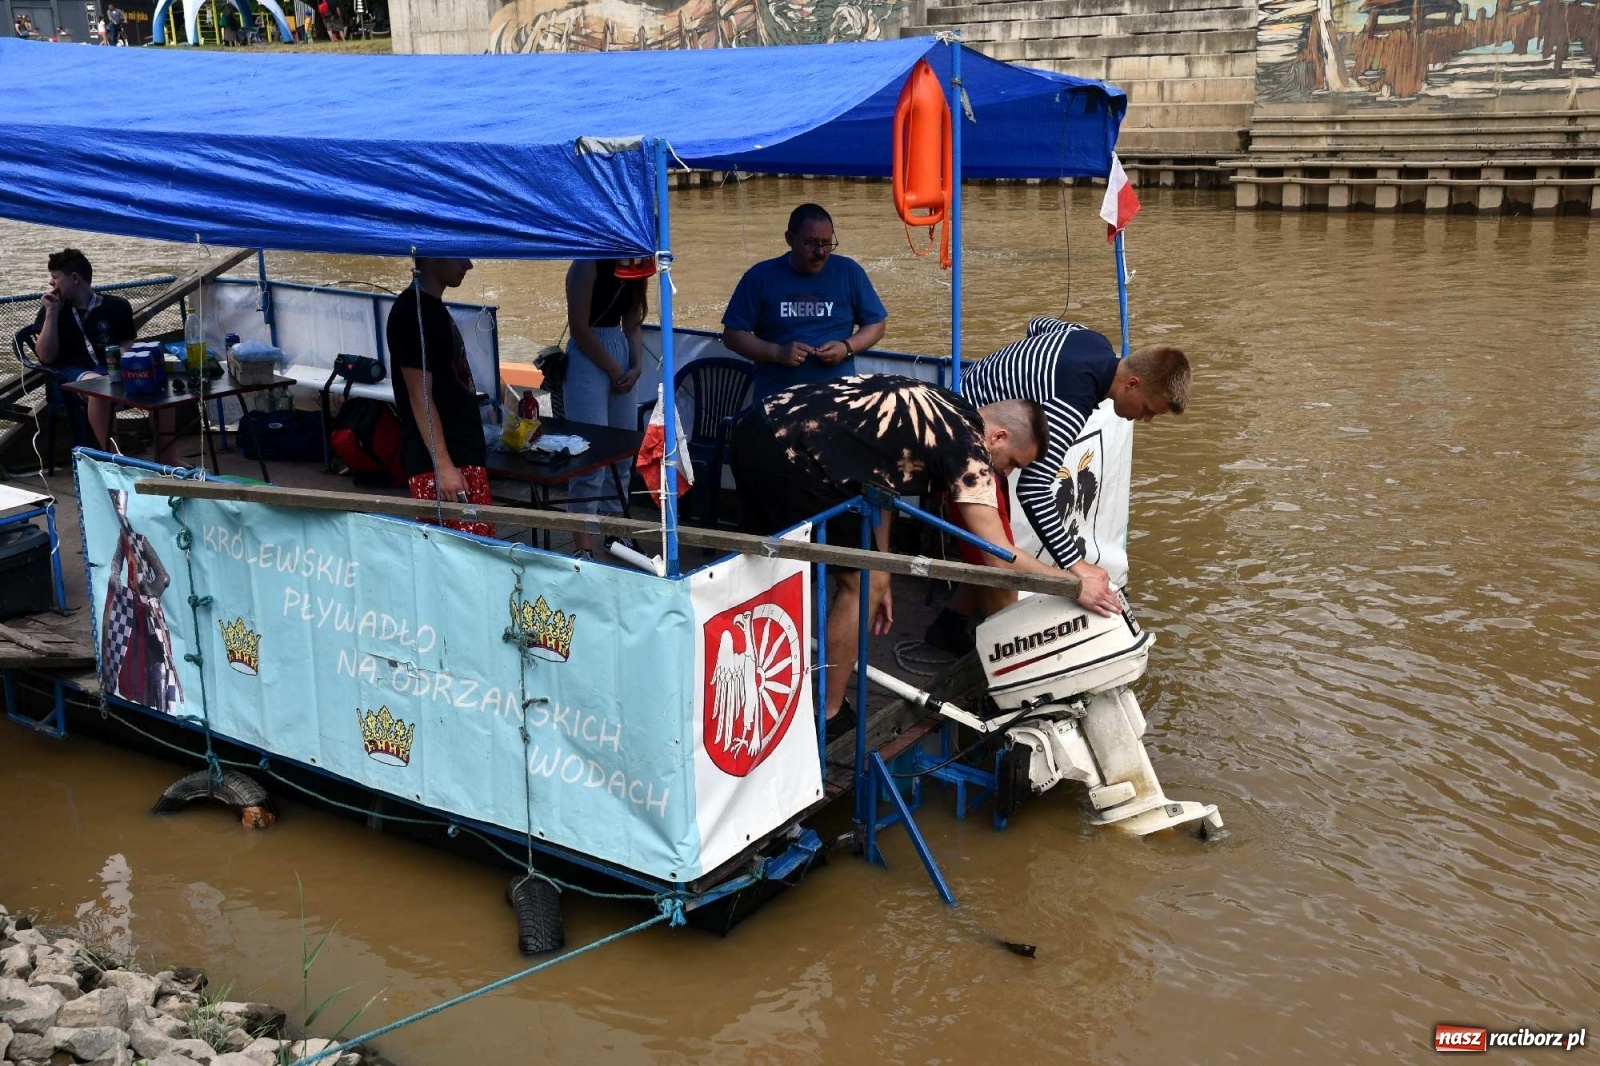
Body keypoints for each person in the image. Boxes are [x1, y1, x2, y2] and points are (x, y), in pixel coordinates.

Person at [729, 374, 1059, 736]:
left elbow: (879, 486)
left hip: (758, 424)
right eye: (1012, 462)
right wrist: (1073, 582)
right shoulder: (967, 445)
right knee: (861, 584)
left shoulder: (949, 407)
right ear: (998, 437)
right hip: (791, 450)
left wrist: (882, 565)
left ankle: (744, 665)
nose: (1006, 473)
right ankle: (827, 714)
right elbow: (997, 554)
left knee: (778, 564)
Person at [924, 317, 1191, 652]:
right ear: (1132, 383)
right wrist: (1076, 564)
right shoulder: (1069, 404)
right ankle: (1010, 661)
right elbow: (1034, 491)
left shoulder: (1090, 339)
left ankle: (949, 625)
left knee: (996, 544)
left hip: (972, 407)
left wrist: (1019, 376)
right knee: (1000, 562)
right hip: (961, 444)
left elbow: (1037, 325)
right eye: (1149, 410)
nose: (1146, 419)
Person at [721, 203, 888, 403]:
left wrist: (846, 347)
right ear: (789, 239)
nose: (820, 252)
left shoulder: (849, 272)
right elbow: (732, 335)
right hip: (777, 401)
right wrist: (777, 353)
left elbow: (877, 324)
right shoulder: (760, 277)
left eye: (827, 243)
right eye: (811, 243)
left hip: (839, 399)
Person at [386, 257, 495, 539]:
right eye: (461, 256)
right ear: (435, 254)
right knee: (465, 556)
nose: (469, 265)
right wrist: (444, 466)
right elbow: (419, 395)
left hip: (460, 456)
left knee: (477, 552)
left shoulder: (430, 308)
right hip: (445, 465)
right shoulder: (412, 313)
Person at [562, 259, 646, 560]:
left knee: (623, 454)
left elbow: (633, 322)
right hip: (588, 355)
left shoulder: (638, 265)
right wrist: (614, 370)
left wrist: (637, 366)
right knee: (589, 458)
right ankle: (582, 545)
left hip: (619, 348)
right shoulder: (588, 265)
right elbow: (579, 328)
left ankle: (616, 533)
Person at [33, 248, 135, 450]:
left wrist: (122, 356)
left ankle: (168, 455)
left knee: (157, 375)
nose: (51, 283)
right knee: (99, 387)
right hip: (69, 374)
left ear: (74, 278)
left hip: (110, 367)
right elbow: (45, 357)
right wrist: (51, 313)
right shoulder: (53, 308)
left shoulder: (117, 306)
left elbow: (127, 341)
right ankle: (115, 457)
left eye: (55, 277)